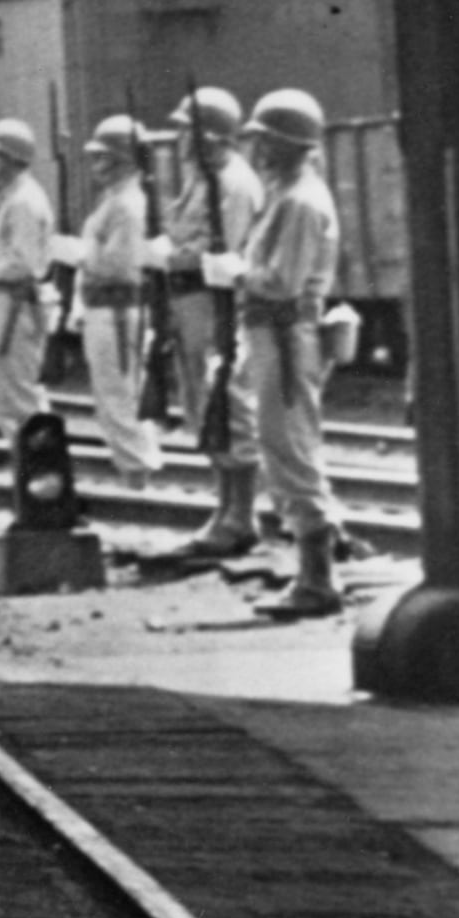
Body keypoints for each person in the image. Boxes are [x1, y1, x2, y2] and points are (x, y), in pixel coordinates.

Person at [237, 88, 349, 620]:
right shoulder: (287, 193)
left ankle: (317, 578)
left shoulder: (300, 200)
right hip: (274, 334)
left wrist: (235, 272)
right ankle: (314, 567)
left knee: (290, 448)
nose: (256, 150)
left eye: (263, 140)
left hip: (284, 335)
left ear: (285, 144)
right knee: (283, 443)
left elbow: (280, 281)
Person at [148, 87, 267, 565]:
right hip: (191, 300)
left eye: (186, 130)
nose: (178, 139)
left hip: (216, 302)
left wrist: (173, 255)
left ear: (210, 137)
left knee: (229, 405)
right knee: (204, 405)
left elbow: (228, 248)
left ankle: (240, 516)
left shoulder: (233, 183)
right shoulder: (204, 179)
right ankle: (226, 511)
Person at [74, 115, 165, 491]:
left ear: (122, 160)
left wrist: (79, 255)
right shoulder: (113, 200)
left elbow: (120, 263)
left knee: (119, 393)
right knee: (114, 392)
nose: (96, 166)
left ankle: (136, 473)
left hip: (117, 308)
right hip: (106, 307)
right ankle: (132, 469)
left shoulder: (127, 204)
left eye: (103, 157)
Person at [0, 119, 59, 459]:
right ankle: (30, 474)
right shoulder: (13, 197)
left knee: (19, 393)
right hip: (4, 300)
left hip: (14, 302)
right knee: (10, 392)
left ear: (11, 159)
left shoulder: (23, 201)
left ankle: (40, 473)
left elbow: (25, 263)